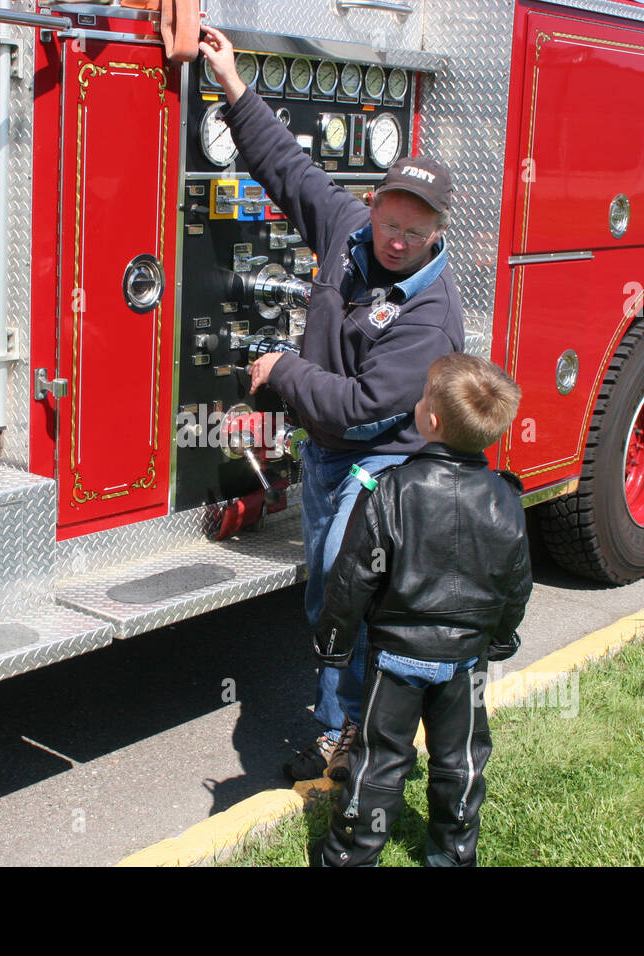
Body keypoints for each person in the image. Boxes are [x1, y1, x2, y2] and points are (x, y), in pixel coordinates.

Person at [198, 26, 466, 782]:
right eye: (389, 220)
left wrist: (282, 370)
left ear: (437, 232)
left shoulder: (430, 316)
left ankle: (349, 740)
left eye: (414, 232)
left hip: (378, 467)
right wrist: (234, 85)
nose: (395, 240)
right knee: (327, 595)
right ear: (375, 203)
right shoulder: (350, 230)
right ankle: (358, 728)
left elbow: (359, 408)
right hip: (326, 459)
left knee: (348, 599)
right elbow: (290, 169)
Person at [311, 352, 531, 866]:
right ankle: (453, 854)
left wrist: (334, 644)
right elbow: (515, 583)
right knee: (462, 761)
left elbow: (351, 577)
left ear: (429, 419)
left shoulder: (391, 490)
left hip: (396, 661)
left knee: (379, 762)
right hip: (466, 662)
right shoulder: (505, 500)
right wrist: (498, 639)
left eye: (423, 394)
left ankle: (348, 855)